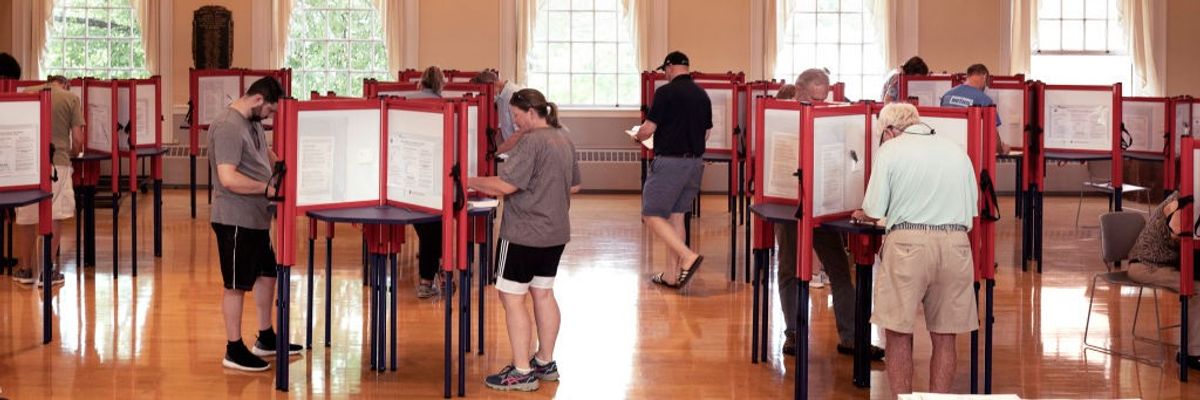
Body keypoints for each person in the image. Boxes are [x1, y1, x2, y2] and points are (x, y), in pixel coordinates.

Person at [851, 103, 979, 396]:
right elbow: (971, 208)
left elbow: (874, 209)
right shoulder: (956, 151)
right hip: (956, 245)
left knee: (897, 332)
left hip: (908, 245)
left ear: (889, 130)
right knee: (945, 336)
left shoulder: (890, 151)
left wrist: (863, 214)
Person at [469, 88, 581, 391]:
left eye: (516, 116)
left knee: (512, 297)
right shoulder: (563, 137)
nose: (515, 122)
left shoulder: (532, 141)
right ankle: (545, 362)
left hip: (523, 234)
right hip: (555, 233)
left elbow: (506, 186)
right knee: (543, 294)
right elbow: (574, 186)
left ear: (531, 113)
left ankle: (521, 371)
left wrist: (466, 180)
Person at [768, 68, 884, 359]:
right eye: (814, 98)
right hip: (790, 205)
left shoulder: (831, 118)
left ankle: (851, 337)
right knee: (789, 268)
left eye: (824, 98)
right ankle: (793, 334)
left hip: (823, 205)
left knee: (840, 268)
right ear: (799, 90)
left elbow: (846, 156)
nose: (820, 104)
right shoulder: (781, 116)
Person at [208, 76, 302, 371]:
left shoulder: (252, 121)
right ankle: (234, 349)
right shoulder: (228, 126)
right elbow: (228, 178)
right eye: (270, 110)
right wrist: (267, 189)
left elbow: (264, 154)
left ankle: (265, 337)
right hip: (235, 218)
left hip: (256, 218)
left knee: (267, 274)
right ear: (258, 100)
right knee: (236, 285)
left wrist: (284, 166)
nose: (270, 116)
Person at [634, 51, 709, 289]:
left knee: (651, 214)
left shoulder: (665, 92)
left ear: (669, 68)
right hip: (695, 163)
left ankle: (687, 256)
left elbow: (648, 129)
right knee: (677, 216)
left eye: (665, 70)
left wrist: (638, 136)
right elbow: (706, 132)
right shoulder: (702, 94)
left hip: (670, 162)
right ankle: (671, 275)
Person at [12, 76, 84, 286]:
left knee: (26, 216)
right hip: (57, 162)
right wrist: (73, 152)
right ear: (65, 84)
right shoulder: (70, 99)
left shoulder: (27, 93)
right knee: (55, 213)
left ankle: (25, 269)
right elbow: (77, 139)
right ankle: (47, 271)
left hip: (28, 163)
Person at [1126, 192, 1200, 370]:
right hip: (1146, 265)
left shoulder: (1190, 197)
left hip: (1162, 264)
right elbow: (1180, 237)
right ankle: (1190, 352)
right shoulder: (1181, 202)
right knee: (1195, 288)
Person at [408, 66, 449, 298]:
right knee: (434, 227)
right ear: (441, 85)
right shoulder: (445, 105)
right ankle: (434, 274)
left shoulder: (406, 102)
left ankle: (430, 277)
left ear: (421, 82)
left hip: (409, 177)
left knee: (427, 230)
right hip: (436, 176)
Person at [939, 63, 1011, 154]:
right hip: (971, 153)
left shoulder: (946, 95)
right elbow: (993, 137)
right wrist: (1002, 150)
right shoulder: (984, 100)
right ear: (984, 77)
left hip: (948, 149)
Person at [470, 70, 524, 154]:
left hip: (522, 152)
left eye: (487, 91)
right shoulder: (500, 97)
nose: (487, 95)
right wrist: (491, 148)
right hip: (513, 152)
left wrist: (496, 151)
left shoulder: (513, 95)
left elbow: (520, 133)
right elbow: (503, 129)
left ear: (494, 84)